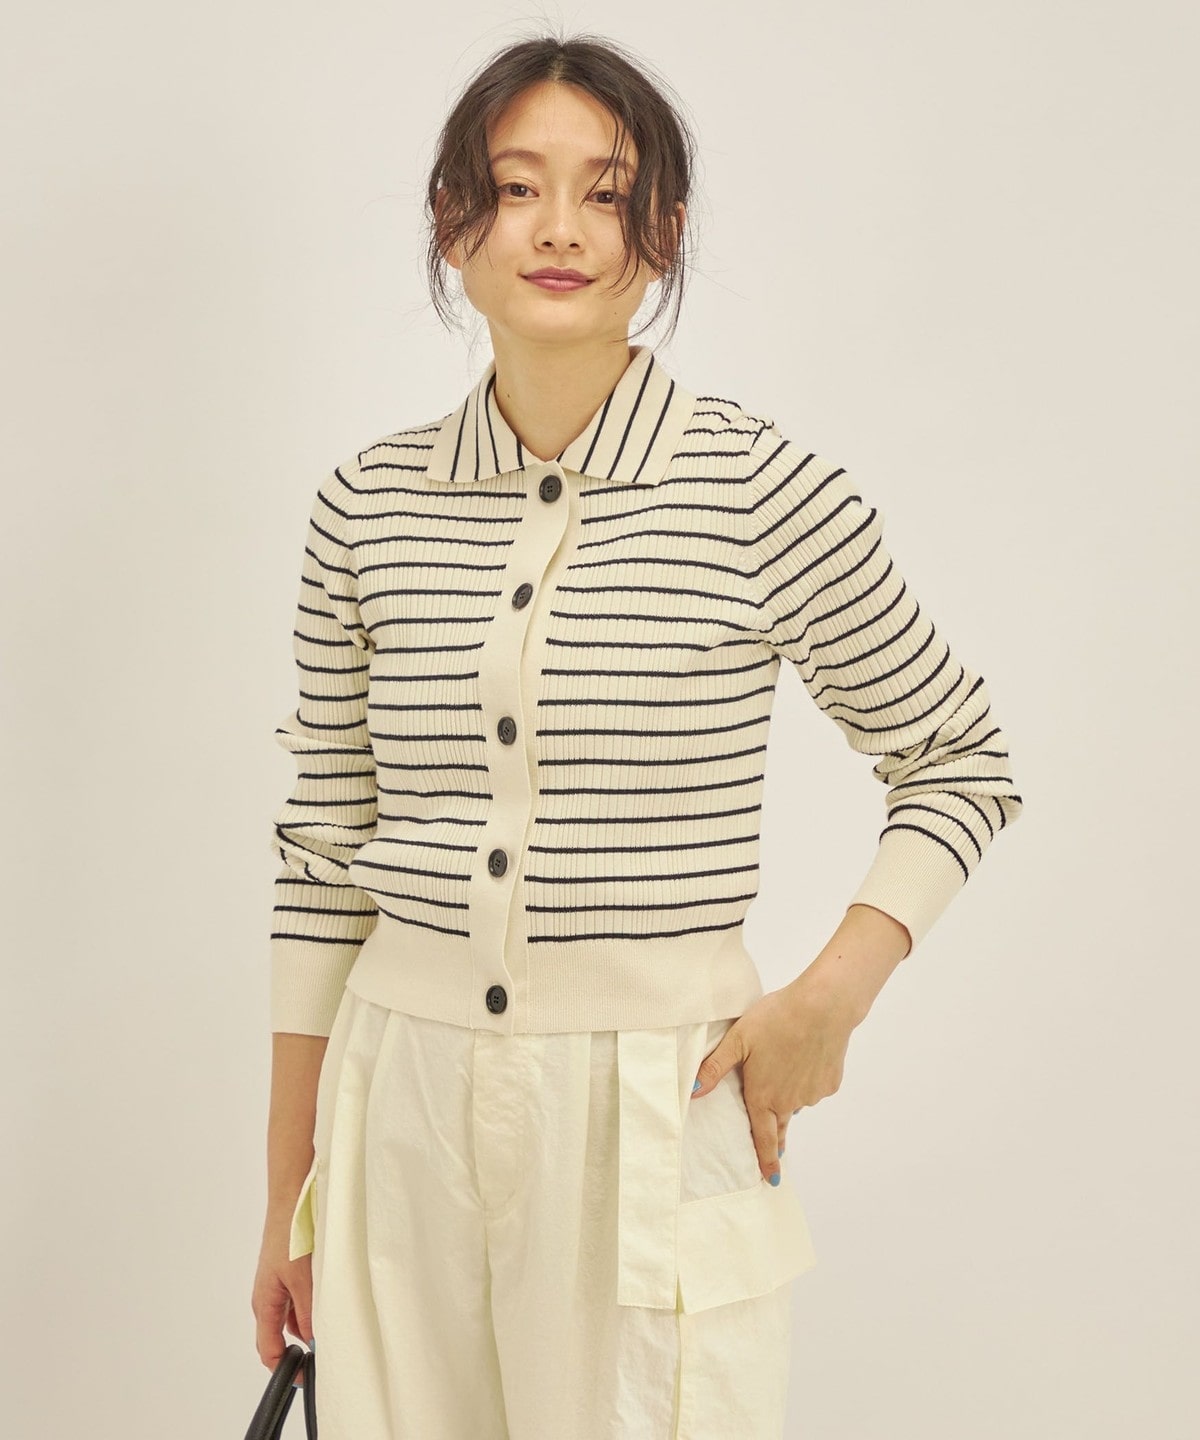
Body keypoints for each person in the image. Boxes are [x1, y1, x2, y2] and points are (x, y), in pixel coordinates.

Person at [250, 30, 1024, 1440]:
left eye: (604, 193)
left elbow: (958, 758)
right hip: (395, 1102)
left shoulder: (759, 489)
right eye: (517, 187)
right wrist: (285, 1194)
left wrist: (830, 998)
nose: (559, 229)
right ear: (454, 221)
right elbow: (321, 855)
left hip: (650, 1106)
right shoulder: (367, 506)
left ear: (659, 231)